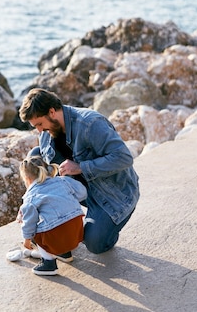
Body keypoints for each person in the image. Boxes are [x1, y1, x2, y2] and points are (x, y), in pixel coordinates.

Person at [19, 88, 139, 255]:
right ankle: (50, 221)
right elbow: (41, 164)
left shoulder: (90, 123)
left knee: (95, 244)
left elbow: (124, 158)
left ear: (52, 112)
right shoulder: (47, 132)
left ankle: (105, 228)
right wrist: (29, 203)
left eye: (39, 124)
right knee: (34, 156)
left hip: (111, 194)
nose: (39, 131)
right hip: (77, 188)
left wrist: (80, 167)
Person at [18, 154, 87, 276]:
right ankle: (65, 253)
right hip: (77, 232)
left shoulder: (30, 197)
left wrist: (27, 240)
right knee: (58, 222)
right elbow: (82, 193)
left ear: (27, 179)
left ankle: (49, 263)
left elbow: (29, 223)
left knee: (34, 228)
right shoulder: (62, 180)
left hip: (58, 233)